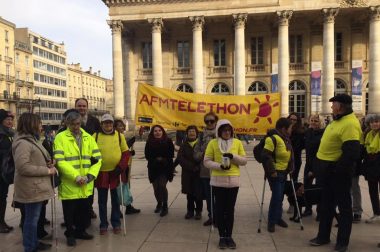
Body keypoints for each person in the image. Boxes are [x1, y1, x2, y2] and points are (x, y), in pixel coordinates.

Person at [309, 94, 362, 252]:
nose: (331, 107)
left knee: (344, 209)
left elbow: (351, 153)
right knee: (326, 205)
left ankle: (342, 242)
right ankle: (323, 236)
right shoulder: (337, 120)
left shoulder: (350, 123)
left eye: (333, 104)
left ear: (341, 106)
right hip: (326, 172)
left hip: (337, 174)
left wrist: (336, 171)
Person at [53, 110, 102, 247]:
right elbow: (60, 161)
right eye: (73, 124)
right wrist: (76, 176)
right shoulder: (60, 138)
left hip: (86, 182)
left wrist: (90, 176)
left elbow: (97, 159)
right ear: (67, 123)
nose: (76, 127)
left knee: (84, 210)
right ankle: (70, 233)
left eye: (78, 124)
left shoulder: (88, 137)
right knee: (69, 211)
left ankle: (81, 231)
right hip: (70, 182)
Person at [12, 113, 57, 252]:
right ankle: (30, 247)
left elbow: (35, 158)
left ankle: (34, 242)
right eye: (39, 123)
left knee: (34, 219)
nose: (41, 126)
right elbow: (23, 167)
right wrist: (47, 170)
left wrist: (48, 162)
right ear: (31, 124)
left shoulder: (32, 140)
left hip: (36, 187)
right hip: (31, 188)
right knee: (31, 220)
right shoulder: (23, 143)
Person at [204, 119, 247, 249]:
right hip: (218, 181)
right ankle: (222, 237)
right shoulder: (212, 143)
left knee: (230, 210)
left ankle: (229, 236)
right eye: (224, 130)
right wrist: (219, 166)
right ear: (219, 131)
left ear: (232, 131)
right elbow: (206, 161)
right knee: (219, 210)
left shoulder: (237, 142)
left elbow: (244, 161)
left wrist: (233, 156)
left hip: (233, 182)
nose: (227, 133)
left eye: (229, 130)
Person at [94, 114, 128, 235]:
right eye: (105, 123)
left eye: (109, 123)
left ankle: (116, 223)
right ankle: (103, 224)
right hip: (101, 173)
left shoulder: (120, 136)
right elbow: (90, 153)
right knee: (102, 200)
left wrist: (120, 167)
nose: (107, 125)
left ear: (112, 124)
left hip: (115, 173)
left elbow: (125, 153)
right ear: (101, 124)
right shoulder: (95, 136)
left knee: (115, 199)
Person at [262, 118, 293, 233]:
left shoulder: (286, 139)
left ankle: (278, 218)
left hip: (284, 172)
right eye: (290, 128)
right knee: (276, 197)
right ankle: (271, 221)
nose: (291, 130)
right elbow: (266, 156)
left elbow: (289, 155)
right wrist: (272, 171)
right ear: (284, 129)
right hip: (275, 173)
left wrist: (290, 167)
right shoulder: (272, 139)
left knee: (279, 197)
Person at [75, 98, 101, 219]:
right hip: (74, 159)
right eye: (79, 106)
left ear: (87, 107)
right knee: (75, 186)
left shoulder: (94, 121)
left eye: (84, 106)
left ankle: (89, 208)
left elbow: (100, 137)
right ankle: (75, 213)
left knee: (90, 185)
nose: (82, 108)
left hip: (90, 158)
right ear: (75, 107)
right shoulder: (69, 120)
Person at [194, 112, 218, 226]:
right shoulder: (201, 135)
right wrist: (204, 151)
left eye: (211, 121)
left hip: (219, 171)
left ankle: (219, 216)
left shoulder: (221, 133)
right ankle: (211, 216)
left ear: (216, 121)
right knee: (209, 197)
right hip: (205, 171)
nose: (209, 123)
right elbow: (196, 153)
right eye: (207, 121)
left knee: (219, 197)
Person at [144, 125, 174, 217]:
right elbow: (147, 155)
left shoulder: (168, 141)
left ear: (162, 132)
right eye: (155, 131)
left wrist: (163, 159)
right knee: (156, 188)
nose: (157, 132)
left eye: (159, 130)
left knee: (162, 185)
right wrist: (155, 159)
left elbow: (171, 154)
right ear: (152, 133)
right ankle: (159, 203)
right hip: (153, 167)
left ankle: (165, 206)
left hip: (165, 167)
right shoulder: (149, 142)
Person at [114, 119, 140, 215]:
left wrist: (129, 152)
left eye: (122, 126)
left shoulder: (122, 137)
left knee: (126, 186)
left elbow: (124, 152)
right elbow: (117, 152)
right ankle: (117, 209)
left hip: (125, 166)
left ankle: (128, 206)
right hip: (118, 167)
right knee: (118, 188)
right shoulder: (114, 138)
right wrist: (129, 145)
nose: (121, 127)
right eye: (119, 126)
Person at [177, 125, 203, 220]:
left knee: (198, 194)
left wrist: (198, 167)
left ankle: (198, 211)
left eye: (193, 131)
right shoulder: (184, 145)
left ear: (197, 133)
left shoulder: (201, 144)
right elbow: (180, 158)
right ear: (187, 134)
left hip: (199, 173)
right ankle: (190, 211)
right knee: (190, 194)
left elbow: (204, 157)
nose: (191, 133)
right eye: (190, 131)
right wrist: (191, 167)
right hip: (187, 173)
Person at [303, 114, 325, 217]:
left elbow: (314, 145)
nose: (313, 122)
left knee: (320, 187)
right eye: (312, 120)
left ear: (320, 122)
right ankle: (308, 208)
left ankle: (320, 210)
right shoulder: (308, 132)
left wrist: (314, 169)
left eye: (316, 121)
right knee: (307, 186)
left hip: (320, 164)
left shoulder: (324, 133)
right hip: (309, 163)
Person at [362, 114, 380, 224]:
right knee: (373, 191)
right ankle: (376, 213)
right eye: (372, 122)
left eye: (377, 121)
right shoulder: (367, 135)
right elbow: (365, 150)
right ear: (368, 124)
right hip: (371, 166)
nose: (375, 124)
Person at [0, 109, 14, 233]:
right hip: (1, 171)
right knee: (1, 197)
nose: (10, 122)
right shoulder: (2, 134)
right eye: (7, 119)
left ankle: (2, 221)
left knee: (3, 196)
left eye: (11, 119)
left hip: (5, 171)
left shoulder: (9, 133)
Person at [287, 113, 305, 183]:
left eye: (294, 120)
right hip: (284, 159)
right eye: (291, 119)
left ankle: (293, 193)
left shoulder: (300, 132)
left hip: (295, 159)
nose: (292, 121)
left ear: (297, 121)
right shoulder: (284, 131)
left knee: (294, 179)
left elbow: (300, 146)